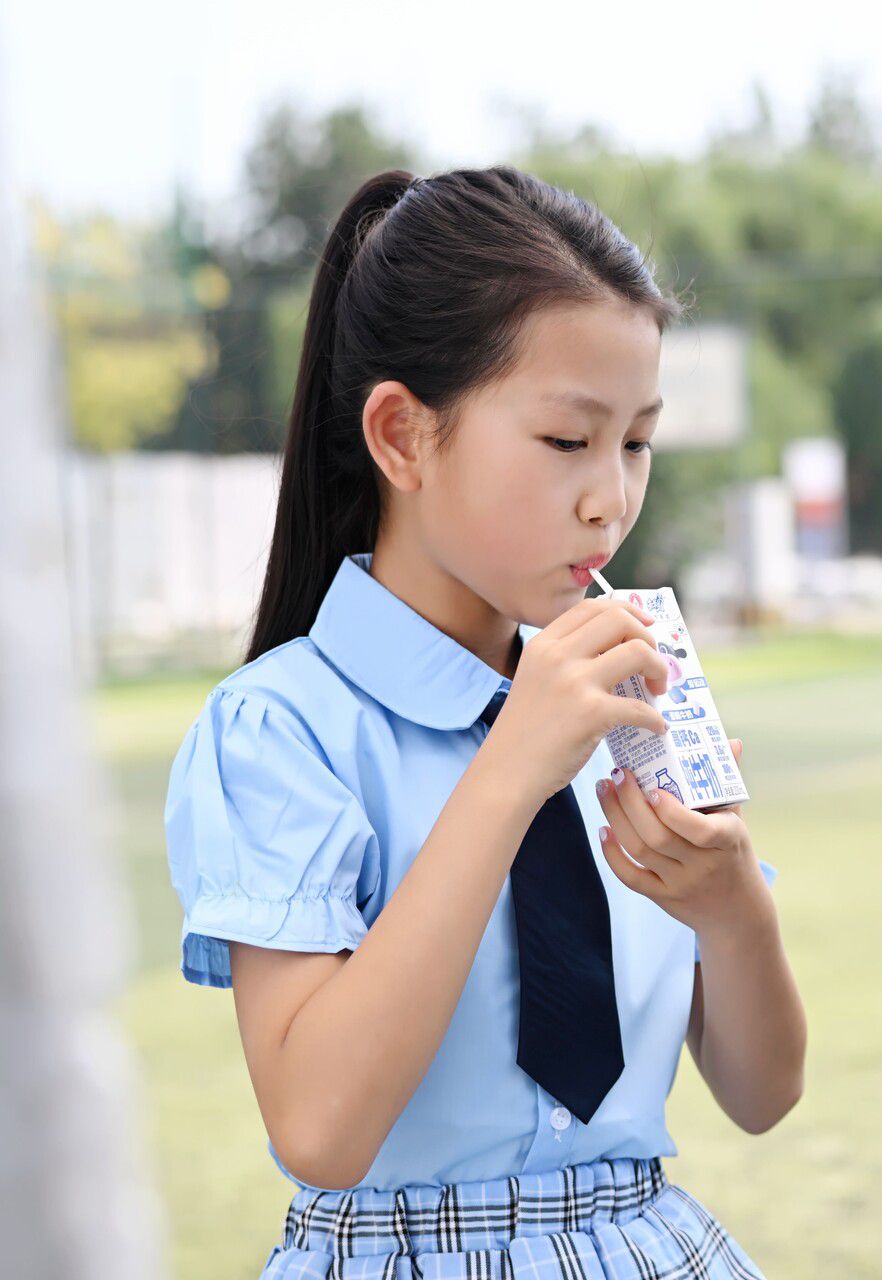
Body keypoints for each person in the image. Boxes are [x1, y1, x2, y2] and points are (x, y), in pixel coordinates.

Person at [163, 167, 804, 1278]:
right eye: (568, 440)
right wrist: (511, 769)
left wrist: (733, 906)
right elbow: (319, 1127)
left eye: (638, 441)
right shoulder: (282, 729)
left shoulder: (631, 697)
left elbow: (762, 1092)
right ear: (404, 435)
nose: (611, 495)